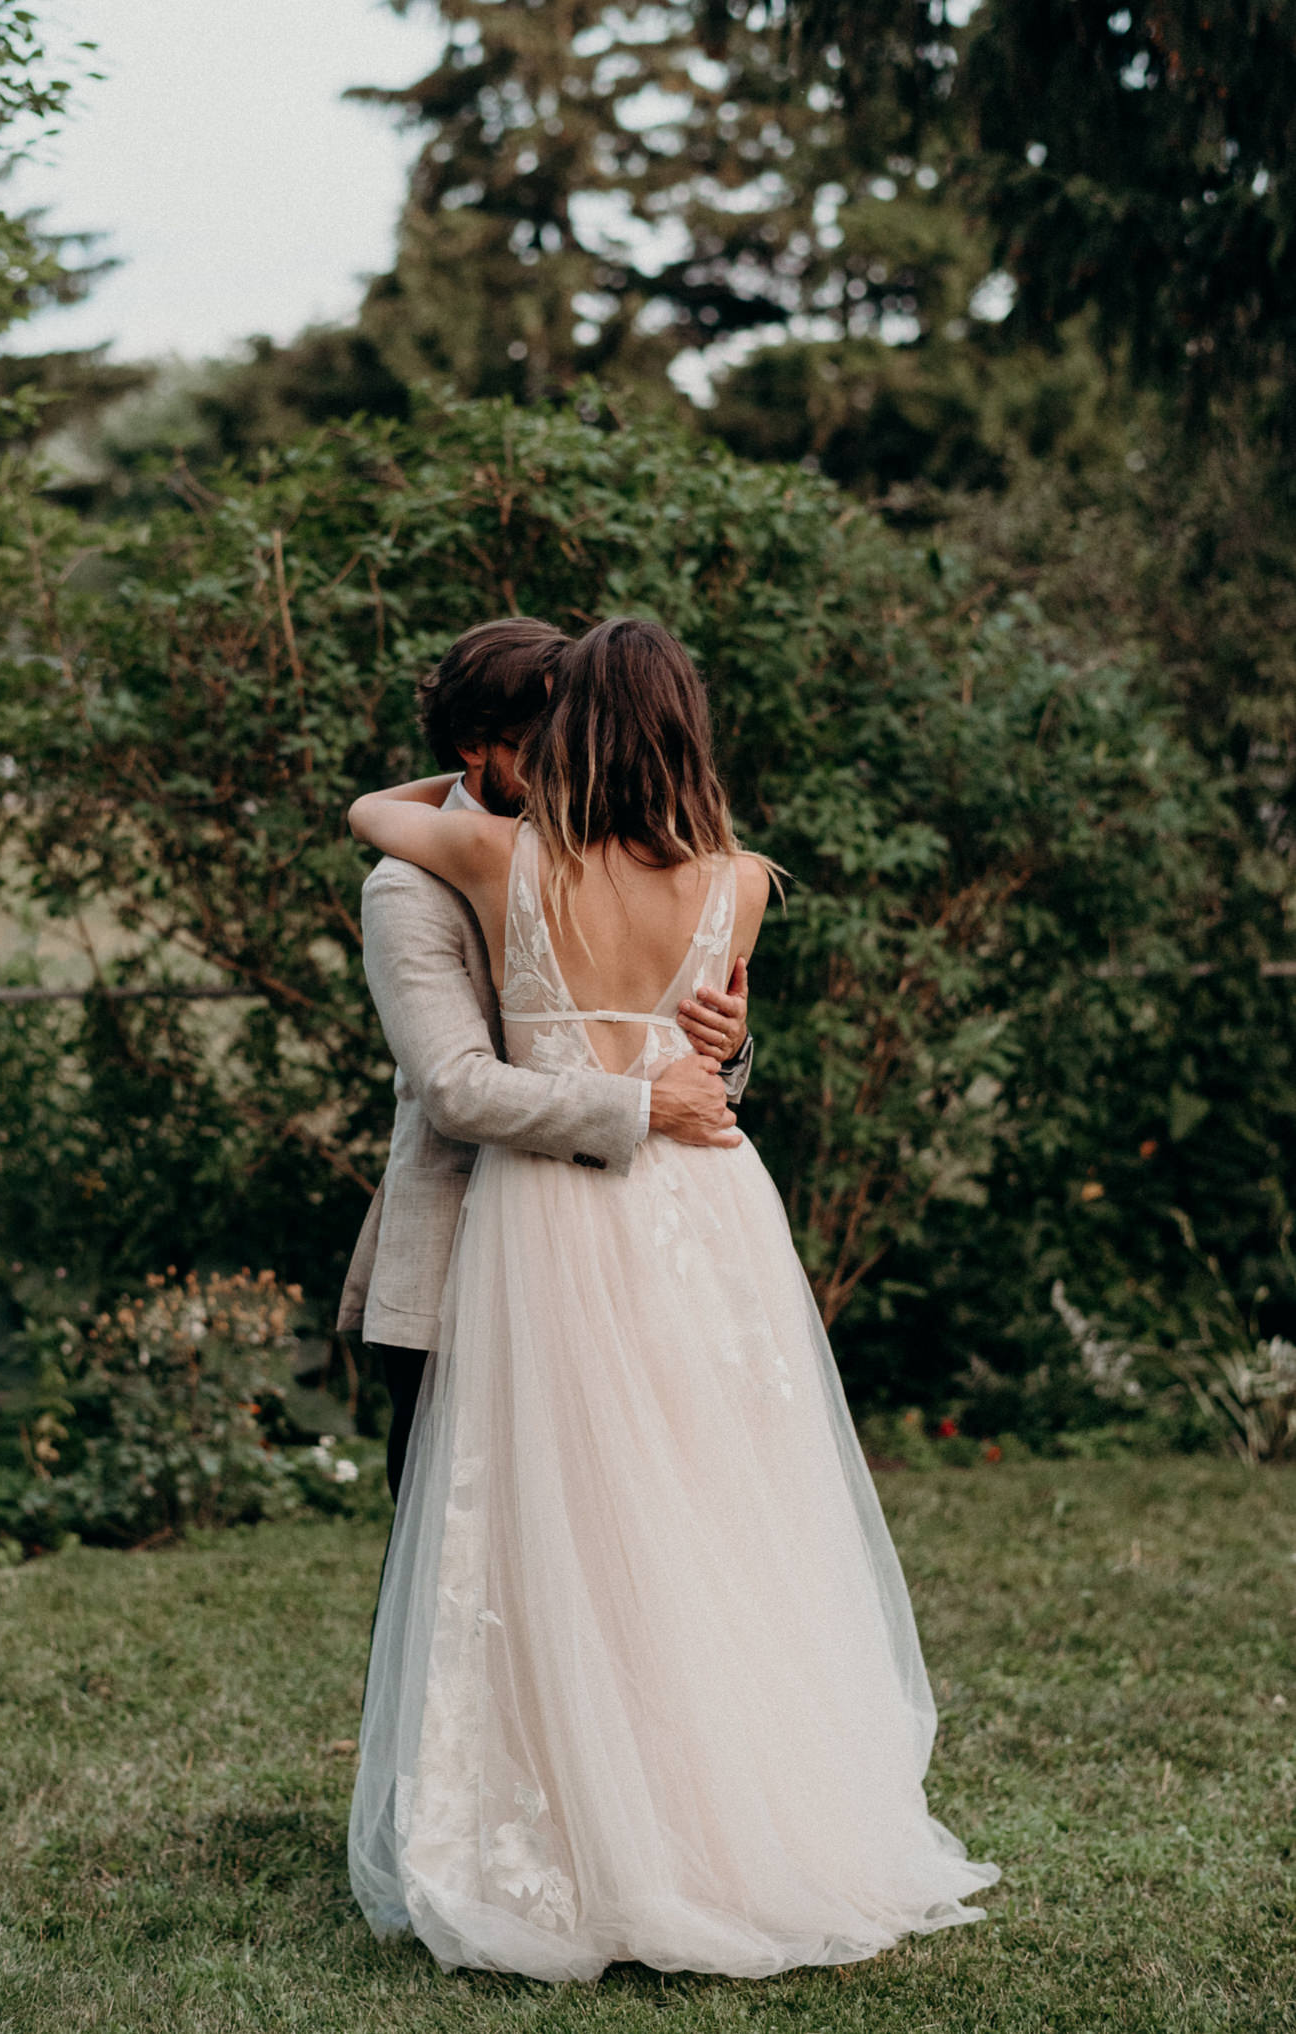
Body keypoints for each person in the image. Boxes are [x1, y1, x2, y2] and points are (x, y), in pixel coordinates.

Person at [345, 617, 1000, 1983]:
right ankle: (649, 1815)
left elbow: (372, 809)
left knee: (642, 1518)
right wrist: (662, 1077)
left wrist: (713, 1056)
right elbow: (485, 1080)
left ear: (572, 735)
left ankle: (622, 1826)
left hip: (568, 1222)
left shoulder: (500, 856)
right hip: (681, 1213)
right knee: (640, 1517)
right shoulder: (738, 881)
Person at [337, 618, 755, 1499]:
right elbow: (455, 1085)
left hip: (624, 1253)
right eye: (537, 749)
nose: (564, 770)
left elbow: (681, 1063)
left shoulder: (605, 859)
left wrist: (727, 1046)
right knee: (453, 1568)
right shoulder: (408, 883)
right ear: (472, 750)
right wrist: (646, 1111)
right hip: (459, 1264)